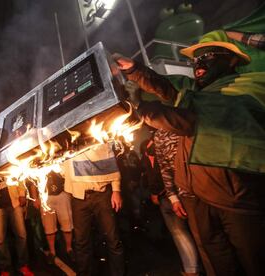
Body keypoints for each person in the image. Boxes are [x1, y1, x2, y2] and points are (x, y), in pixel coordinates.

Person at [113, 30, 265, 276]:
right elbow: (167, 87)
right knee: (217, 263)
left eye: (208, 56)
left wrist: (141, 108)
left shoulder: (248, 87)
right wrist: (133, 69)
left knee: (254, 262)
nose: (198, 64)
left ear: (231, 60)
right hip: (197, 196)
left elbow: (196, 117)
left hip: (237, 196)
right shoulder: (196, 93)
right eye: (195, 60)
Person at [62, 143, 125, 276]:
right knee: (81, 241)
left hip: (101, 194)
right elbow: (62, 169)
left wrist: (116, 190)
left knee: (113, 238)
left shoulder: (97, 136)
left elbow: (110, 163)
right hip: (79, 197)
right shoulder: (68, 143)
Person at [142, 135, 200, 276]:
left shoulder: (167, 139)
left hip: (179, 193)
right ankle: (192, 268)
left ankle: (193, 270)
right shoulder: (151, 145)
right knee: (181, 233)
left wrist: (166, 194)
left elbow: (163, 171)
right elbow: (157, 172)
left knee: (186, 233)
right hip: (168, 196)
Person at [31, 170, 74, 264]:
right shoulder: (38, 161)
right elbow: (33, 181)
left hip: (62, 194)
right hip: (46, 196)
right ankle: (52, 252)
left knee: (67, 224)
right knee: (49, 226)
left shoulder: (59, 159)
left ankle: (69, 249)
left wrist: (70, 193)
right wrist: (35, 198)